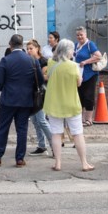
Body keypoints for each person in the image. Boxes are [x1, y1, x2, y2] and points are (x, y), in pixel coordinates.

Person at [0, 34, 44, 168]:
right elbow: (40, 81)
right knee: (22, 129)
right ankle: (19, 159)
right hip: (26, 100)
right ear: (22, 45)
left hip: (8, 100)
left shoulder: (6, 60)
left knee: (2, 129)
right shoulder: (32, 60)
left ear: (10, 45)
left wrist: (6, 89)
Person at [43, 39, 94, 172]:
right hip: (71, 103)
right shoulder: (74, 66)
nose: (73, 52)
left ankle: (58, 163)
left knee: (56, 133)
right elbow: (78, 83)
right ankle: (84, 163)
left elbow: (48, 77)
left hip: (54, 103)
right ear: (68, 51)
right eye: (72, 49)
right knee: (77, 134)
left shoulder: (51, 63)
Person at [26, 38, 51, 155]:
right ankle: (42, 146)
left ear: (37, 49)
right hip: (32, 94)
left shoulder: (43, 61)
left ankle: (54, 146)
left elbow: (45, 77)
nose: (29, 51)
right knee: (35, 121)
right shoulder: (28, 61)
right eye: (27, 49)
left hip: (42, 93)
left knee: (42, 120)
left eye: (31, 48)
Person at [72, 26, 102, 126]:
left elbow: (98, 56)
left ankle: (88, 119)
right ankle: (80, 119)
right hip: (78, 75)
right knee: (79, 97)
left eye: (81, 35)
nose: (79, 37)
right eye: (78, 35)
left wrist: (85, 61)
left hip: (90, 75)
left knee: (89, 96)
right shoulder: (75, 45)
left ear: (85, 35)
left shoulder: (90, 44)